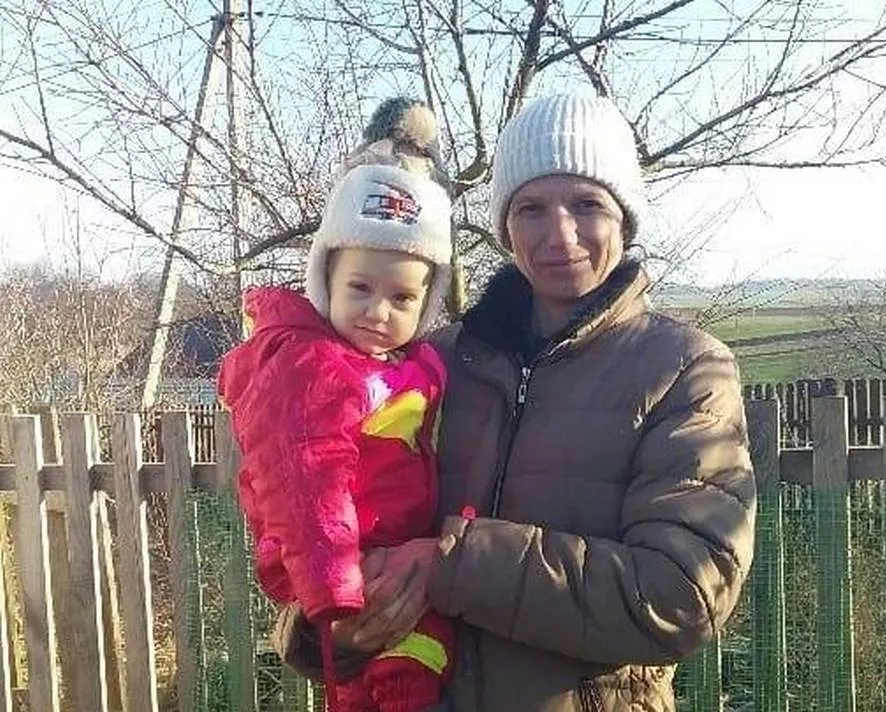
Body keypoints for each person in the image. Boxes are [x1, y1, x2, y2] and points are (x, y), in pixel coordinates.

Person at [273, 93, 757, 711]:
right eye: (531, 208)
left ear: (625, 220)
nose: (560, 235)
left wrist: (454, 567)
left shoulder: (682, 368)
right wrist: (325, 633)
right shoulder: (432, 363)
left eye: (587, 205)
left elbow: (681, 595)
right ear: (505, 227)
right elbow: (344, 524)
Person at [217, 98, 458, 712]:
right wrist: (332, 594)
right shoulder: (313, 369)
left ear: (426, 306)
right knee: (371, 679)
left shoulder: (411, 368)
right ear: (325, 281)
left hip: (390, 564)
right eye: (360, 288)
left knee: (415, 661)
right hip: (339, 573)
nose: (378, 311)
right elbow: (305, 479)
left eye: (402, 299)